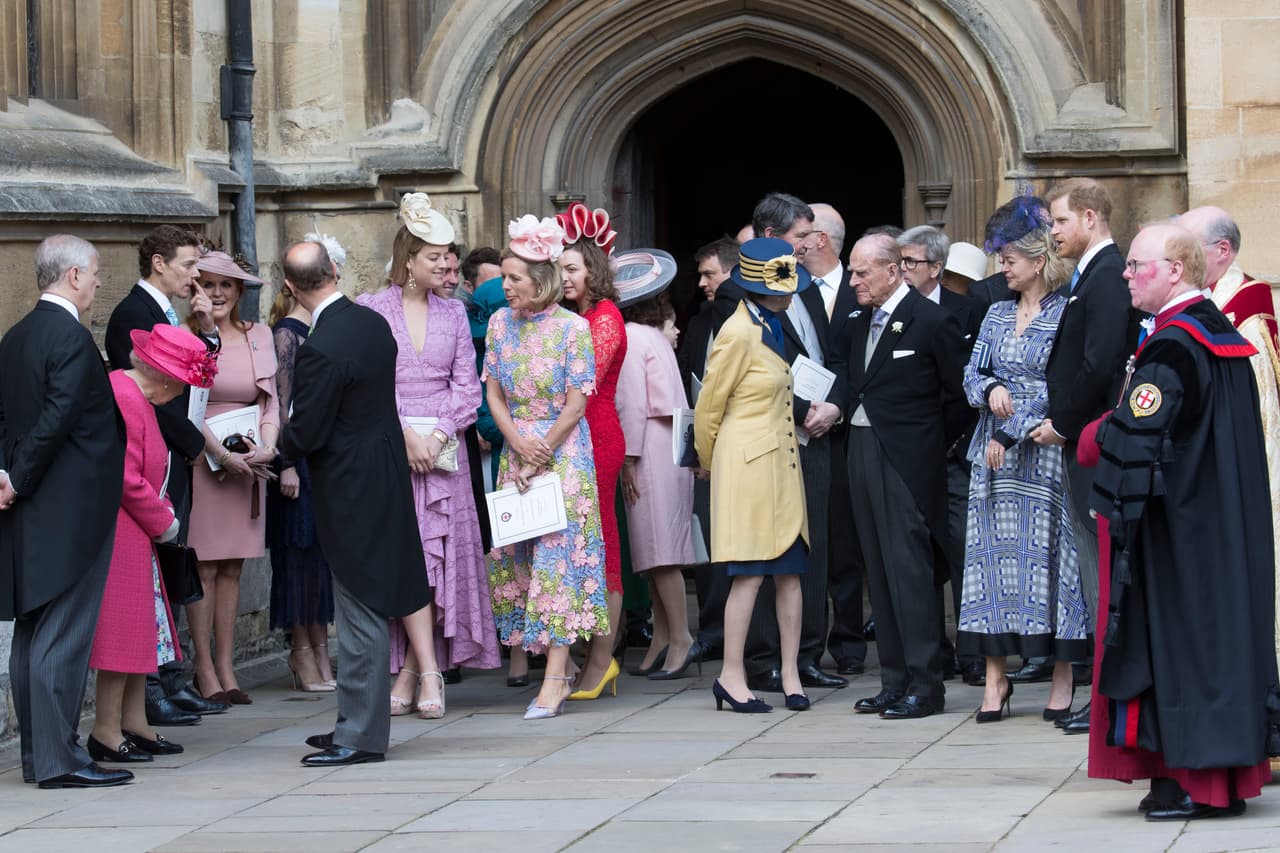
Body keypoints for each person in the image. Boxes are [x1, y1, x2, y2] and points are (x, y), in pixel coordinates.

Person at [1082, 222, 1277, 820]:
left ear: (1175, 269)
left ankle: (1202, 787)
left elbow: (1134, 432)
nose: (1126, 274)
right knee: (1214, 648)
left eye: (1137, 265)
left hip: (1181, 530)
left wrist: (1093, 435)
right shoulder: (1217, 334)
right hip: (1221, 524)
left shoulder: (1173, 345)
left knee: (1188, 650)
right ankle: (1190, 779)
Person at [279, 239, 431, 766]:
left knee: (360, 606)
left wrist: (272, 451)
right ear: (334, 272)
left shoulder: (322, 345)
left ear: (291, 288)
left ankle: (361, 736)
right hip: (382, 474)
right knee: (361, 601)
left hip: (350, 486)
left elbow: (310, 428)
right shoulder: (370, 323)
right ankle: (353, 720)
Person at [357, 192, 500, 718]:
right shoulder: (372, 309)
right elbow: (369, 382)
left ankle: (418, 672)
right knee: (406, 559)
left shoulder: (456, 314)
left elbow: (468, 386)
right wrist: (405, 437)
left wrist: (438, 436)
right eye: (435, 256)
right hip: (392, 449)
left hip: (445, 457)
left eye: (449, 255)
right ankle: (417, 670)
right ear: (408, 259)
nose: (446, 264)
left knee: (439, 562)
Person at [0, 235, 130, 788]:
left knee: (34, 633)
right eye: (96, 273)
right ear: (73, 276)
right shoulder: (73, 339)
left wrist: (6, 477)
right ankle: (58, 761)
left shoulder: (16, 335)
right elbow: (56, 421)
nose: (100, 283)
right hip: (70, 510)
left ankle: (43, 755)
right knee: (62, 635)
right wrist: (17, 477)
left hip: (29, 506)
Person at [955, 197, 1087, 722]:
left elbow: (1060, 386)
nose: (1002, 268)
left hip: (1041, 452)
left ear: (1038, 260)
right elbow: (969, 373)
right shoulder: (994, 312)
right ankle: (995, 681)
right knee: (990, 564)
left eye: (1009, 258)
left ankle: (1061, 677)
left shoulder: (1064, 313)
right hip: (993, 458)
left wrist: (1011, 431)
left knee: (1052, 560)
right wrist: (987, 390)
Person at [839, 232, 969, 720]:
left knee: (910, 571)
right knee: (878, 567)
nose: (853, 281)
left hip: (909, 460)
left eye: (862, 272)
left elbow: (959, 397)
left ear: (892, 271)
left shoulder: (933, 319)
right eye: (852, 272)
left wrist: (931, 447)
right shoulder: (858, 323)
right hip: (862, 449)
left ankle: (925, 684)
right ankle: (893, 680)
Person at [484, 214, 609, 719]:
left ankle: (556, 676)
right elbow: (491, 391)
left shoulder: (574, 328)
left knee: (559, 563)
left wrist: (541, 452)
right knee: (522, 558)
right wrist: (518, 443)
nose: (505, 285)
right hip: (517, 450)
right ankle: (554, 666)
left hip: (564, 455)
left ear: (540, 280)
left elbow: (577, 403)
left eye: (513, 277)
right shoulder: (497, 324)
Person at [104, 224, 228, 726]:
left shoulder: (172, 312)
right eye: (187, 265)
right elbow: (152, 402)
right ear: (158, 263)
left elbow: (195, 377)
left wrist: (208, 330)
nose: (196, 275)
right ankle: (150, 689)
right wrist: (197, 445)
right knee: (147, 576)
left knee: (167, 571)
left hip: (170, 457)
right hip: (153, 458)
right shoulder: (131, 314)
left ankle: (167, 679)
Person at [1027, 179, 1137, 734]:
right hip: (1082, 437)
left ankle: (1104, 701)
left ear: (1090, 218)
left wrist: (1062, 425)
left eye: (1060, 222)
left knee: (1102, 571)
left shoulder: (1106, 277)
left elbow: (1100, 365)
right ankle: (1101, 702)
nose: (1054, 233)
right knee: (1094, 569)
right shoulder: (1088, 277)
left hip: (1092, 440)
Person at [89, 324, 218, 763]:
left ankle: (134, 723)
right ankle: (106, 730)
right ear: (165, 377)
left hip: (138, 531)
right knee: (122, 634)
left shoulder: (136, 395)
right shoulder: (123, 395)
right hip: (125, 529)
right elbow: (123, 475)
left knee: (145, 633)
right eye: (182, 385)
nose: (182, 394)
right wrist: (163, 519)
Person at [694, 237, 813, 714]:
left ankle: (790, 674)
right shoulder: (737, 332)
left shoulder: (775, 325)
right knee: (747, 574)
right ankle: (731, 674)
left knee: (790, 573)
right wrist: (709, 464)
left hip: (781, 467)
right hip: (746, 467)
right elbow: (708, 410)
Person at [745, 193, 847, 694]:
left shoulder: (800, 287)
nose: (807, 247)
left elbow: (826, 356)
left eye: (808, 237)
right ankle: (766, 658)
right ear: (769, 236)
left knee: (817, 546)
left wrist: (834, 405)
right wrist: (802, 412)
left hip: (819, 435)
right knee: (771, 549)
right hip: (777, 438)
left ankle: (807, 653)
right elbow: (751, 375)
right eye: (797, 238)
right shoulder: (739, 297)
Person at [1177, 205, 1280, 675]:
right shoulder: (1200, 303)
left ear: (1221, 251)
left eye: (1188, 248)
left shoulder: (1248, 318)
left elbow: (1260, 422)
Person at [185, 251, 280, 706]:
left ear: (240, 292)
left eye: (227, 285)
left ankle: (227, 665)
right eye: (208, 284)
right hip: (205, 461)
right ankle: (202, 667)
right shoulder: (187, 336)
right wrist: (220, 454)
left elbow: (270, 401)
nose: (218, 293)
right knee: (203, 565)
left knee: (232, 568)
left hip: (249, 462)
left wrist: (267, 444)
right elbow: (188, 407)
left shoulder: (258, 335)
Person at [897, 224, 984, 686]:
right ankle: (934, 650)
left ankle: (974, 650)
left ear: (936, 267)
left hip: (954, 453)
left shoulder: (967, 310)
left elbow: (968, 388)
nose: (903, 270)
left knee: (963, 550)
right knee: (920, 556)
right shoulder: (886, 313)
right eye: (900, 262)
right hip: (912, 456)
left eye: (911, 262)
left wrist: (955, 443)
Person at [555, 202, 629, 702]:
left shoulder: (604, 320)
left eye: (572, 269)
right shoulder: (575, 317)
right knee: (580, 546)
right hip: (575, 436)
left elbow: (581, 384)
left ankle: (602, 661)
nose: (563, 277)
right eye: (558, 269)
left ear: (593, 270)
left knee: (603, 550)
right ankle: (588, 653)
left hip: (596, 437)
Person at [613, 250, 697, 679]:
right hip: (667, 446)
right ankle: (664, 637)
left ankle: (681, 636)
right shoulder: (655, 337)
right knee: (658, 548)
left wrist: (627, 458)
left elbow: (630, 404)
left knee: (660, 552)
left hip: (648, 448)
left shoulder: (630, 338)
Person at [266, 283, 336, 693]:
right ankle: (302, 652)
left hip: (321, 458)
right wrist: (287, 464)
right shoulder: (286, 334)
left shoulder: (322, 329)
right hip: (296, 460)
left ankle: (322, 649)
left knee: (320, 560)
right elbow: (282, 401)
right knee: (298, 558)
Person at [676, 235, 738, 665]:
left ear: (733, 273)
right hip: (705, 449)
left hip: (747, 446)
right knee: (708, 544)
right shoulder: (699, 324)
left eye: (709, 273)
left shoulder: (753, 322)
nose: (701, 283)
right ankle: (713, 630)